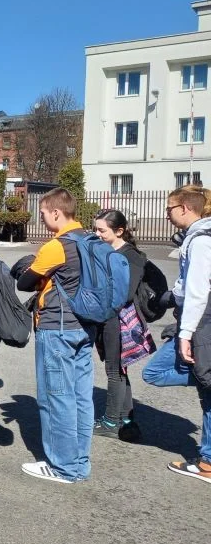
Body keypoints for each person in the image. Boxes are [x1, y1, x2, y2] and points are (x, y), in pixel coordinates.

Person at [14, 188, 94, 484]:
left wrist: (33, 268)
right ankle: (79, 462)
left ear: (57, 213)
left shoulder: (56, 246)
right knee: (81, 397)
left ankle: (62, 466)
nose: (43, 218)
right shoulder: (90, 239)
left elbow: (25, 281)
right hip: (85, 326)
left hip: (56, 327)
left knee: (55, 397)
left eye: (44, 213)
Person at [141, 187, 211, 482]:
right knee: (207, 391)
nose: (166, 214)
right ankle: (207, 459)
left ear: (184, 208)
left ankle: (208, 461)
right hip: (202, 320)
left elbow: (197, 291)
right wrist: (171, 297)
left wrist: (185, 334)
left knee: (154, 372)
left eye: (169, 209)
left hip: (202, 322)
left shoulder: (201, 240)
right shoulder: (199, 237)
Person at [92, 210, 151, 442]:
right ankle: (126, 419)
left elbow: (125, 293)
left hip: (119, 320)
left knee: (114, 371)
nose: (97, 234)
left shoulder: (132, 256)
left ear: (119, 231)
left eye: (102, 230)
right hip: (108, 317)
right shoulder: (107, 250)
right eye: (95, 229)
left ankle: (110, 421)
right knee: (119, 369)